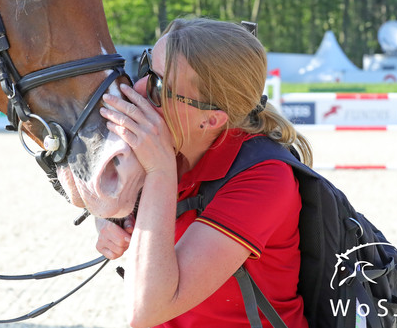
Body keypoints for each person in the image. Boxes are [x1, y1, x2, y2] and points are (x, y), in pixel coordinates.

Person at [96, 17, 312, 328]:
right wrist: (106, 221)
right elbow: (99, 187)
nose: (140, 88)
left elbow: (145, 311)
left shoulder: (265, 178)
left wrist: (160, 172)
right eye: (145, 67)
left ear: (211, 120)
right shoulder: (173, 142)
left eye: (159, 85)